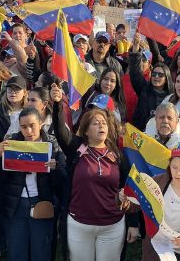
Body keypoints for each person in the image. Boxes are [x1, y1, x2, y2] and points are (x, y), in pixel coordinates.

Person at [49, 85, 135, 261]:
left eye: (103, 123)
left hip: (112, 225)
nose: (101, 125)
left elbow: (130, 187)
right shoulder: (77, 147)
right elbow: (61, 132)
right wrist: (57, 104)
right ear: (86, 130)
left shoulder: (118, 154)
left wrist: (133, 223)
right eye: (95, 123)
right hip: (79, 223)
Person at [0, 107, 65, 261]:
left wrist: (56, 168)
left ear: (41, 123)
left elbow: (64, 179)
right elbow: (1, 179)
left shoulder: (52, 144)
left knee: (41, 251)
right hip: (16, 205)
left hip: (42, 203)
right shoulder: (12, 143)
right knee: (16, 251)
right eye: (23, 127)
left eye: (32, 125)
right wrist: (0, 156)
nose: (28, 131)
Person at [129, 35, 174, 131]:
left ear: (167, 78)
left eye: (160, 75)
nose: (156, 77)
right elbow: (135, 73)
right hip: (142, 136)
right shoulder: (144, 89)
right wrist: (136, 47)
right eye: (154, 74)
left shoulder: (172, 96)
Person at [0, 75, 28, 148]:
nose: (12, 92)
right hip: (4, 153)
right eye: (10, 89)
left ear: (24, 92)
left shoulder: (30, 112)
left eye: (16, 89)